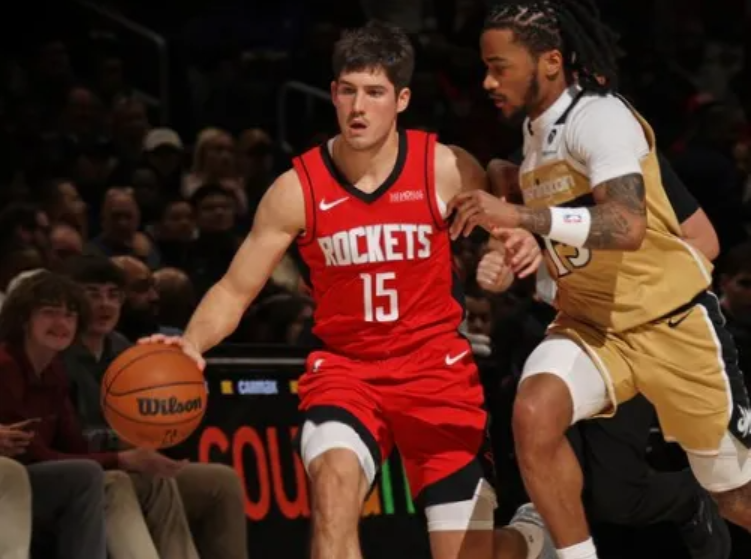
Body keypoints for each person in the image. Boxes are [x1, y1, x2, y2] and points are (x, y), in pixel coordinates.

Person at [142, 20, 541, 559]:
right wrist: (191, 344)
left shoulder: (443, 167)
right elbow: (235, 289)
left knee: (471, 553)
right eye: (348, 91)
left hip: (436, 371)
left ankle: (527, 540)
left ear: (401, 100)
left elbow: (505, 222)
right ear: (332, 94)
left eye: (374, 92)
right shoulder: (296, 189)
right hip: (347, 372)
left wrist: (501, 255)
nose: (358, 107)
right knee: (333, 490)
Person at [447, 2, 751, 558]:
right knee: (533, 412)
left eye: (499, 66)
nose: (488, 81)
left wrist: (519, 217)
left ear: (550, 61)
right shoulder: (536, 131)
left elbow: (626, 225)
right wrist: (505, 217)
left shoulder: (600, 117)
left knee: (734, 496)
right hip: (591, 324)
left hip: (669, 322)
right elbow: (527, 190)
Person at [482, 154, 730, 559]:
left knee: (616, 497)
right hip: (550, 325)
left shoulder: (635, 162)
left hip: (624, 331)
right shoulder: (540, 156)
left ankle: (689, 497)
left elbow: (706, 242)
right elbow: (498, 177)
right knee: (538, 454)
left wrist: (636, 280)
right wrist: (502, 248)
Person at [0, 270, 199, 559]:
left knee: (135, 480)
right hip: (17, 478)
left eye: (69, 315)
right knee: (91, 474)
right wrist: (121, 458)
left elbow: (74, 446)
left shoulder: (54, 370)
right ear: (23, 319)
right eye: (49, 313)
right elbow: (33, 452)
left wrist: (127, 455)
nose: (61, 323)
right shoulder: (6, 366)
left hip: (40, 476)